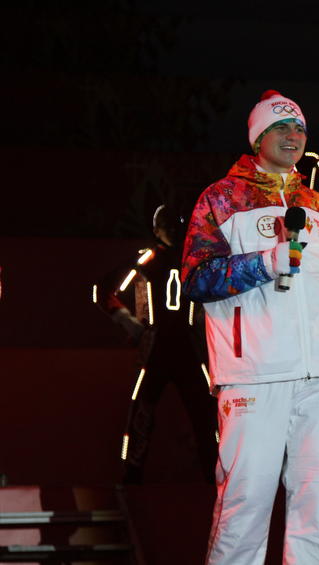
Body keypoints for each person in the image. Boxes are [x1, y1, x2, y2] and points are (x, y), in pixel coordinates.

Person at [181, 90, 319, 565]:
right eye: (281, 127)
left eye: (299, 128)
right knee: (244, 506)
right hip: (254, 376)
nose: (293, 135)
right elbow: (196, 278)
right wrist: (265, 263)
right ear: (258, 136)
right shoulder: (222, 198)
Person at [94, 203, 218, 484]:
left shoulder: (196, 261)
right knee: (143, 411)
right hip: (158, 346)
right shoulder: (148, 259)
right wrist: (130, 323)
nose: (174, 231)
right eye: (167, 226)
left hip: (187, 347)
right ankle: (132, 473)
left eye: (179, 226)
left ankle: (213, 472)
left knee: (203, 410)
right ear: (156, 230)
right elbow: (103, 289)